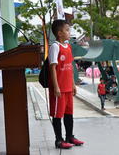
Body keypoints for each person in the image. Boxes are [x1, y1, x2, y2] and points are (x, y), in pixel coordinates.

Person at [48, 20, 84, 149]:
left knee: (69, 113)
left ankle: (70, 136)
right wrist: (56, 87)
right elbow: (52, 68)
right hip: (59, 89)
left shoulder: (68, 47)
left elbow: (70, 67)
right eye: (67, 30)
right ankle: (59, 140)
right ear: (59, 33)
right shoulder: (55, 47)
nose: (70, 32)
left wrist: (73, 84)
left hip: (68, 87)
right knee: (58, 115)